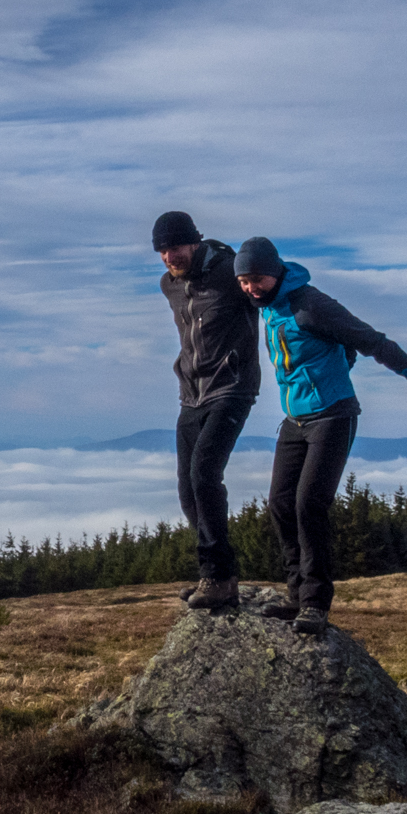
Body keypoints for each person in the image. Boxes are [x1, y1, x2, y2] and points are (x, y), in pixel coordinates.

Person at [235, 237, 407, 635]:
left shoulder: (311, 304)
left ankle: (315, 604)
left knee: (308, 505)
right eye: (244, 281)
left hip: (333, 416)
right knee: (281, 505)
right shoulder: (267, 307)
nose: (251, 288)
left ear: (276, 271)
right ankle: (296, 595)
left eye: (257, 279)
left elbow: (369, 340)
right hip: (294, 421)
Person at [153, 211, 259, 610]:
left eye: (174, 247)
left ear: (194, 241)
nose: (168, 256)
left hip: (232, 388)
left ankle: (217, 576)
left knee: (204, 474)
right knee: (187, 490)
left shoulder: (231, 271)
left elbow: (276, 291)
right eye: (161, 250)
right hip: (191, 395)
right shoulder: (170, 285)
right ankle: (218, 576)